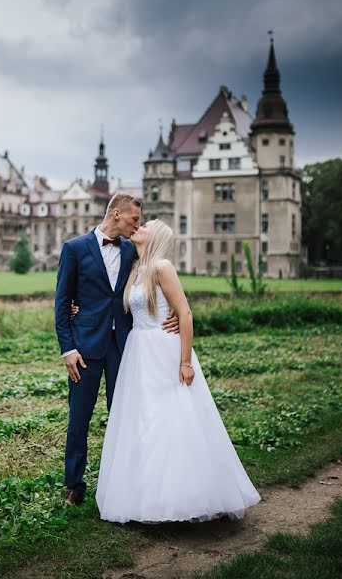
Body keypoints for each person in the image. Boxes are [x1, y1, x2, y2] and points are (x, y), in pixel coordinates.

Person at [94, 219, 261, 523]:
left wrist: (185, 362)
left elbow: (184, 312)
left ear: (155, 235)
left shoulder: (162, 267)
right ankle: (144, 496)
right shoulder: (137, 269)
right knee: (141, 419)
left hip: (163, 348)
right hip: (138, 350)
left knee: (169, 417)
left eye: (145, 225)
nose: (138, 226)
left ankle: (181, 497)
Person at [54, 194, 178, 506]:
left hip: (124, 347)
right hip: (84, 347)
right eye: (134, 219)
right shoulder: (74, 248)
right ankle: (74, 485)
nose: (138, 226)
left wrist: (173, 313)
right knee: (79, 418)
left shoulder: (132, 250)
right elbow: (61, 302)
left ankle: (128, 481)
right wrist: (67, 349)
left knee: (124, 415)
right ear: (116, 212)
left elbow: (157, 281)